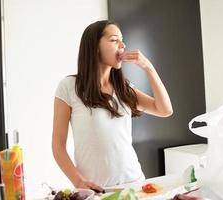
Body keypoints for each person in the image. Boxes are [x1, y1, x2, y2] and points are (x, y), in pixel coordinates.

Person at [52, 20, 173, 191]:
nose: (122, 45)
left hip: (134, 184)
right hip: (96, 190)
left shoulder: (123, 88)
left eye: (122, 40)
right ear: (95, 46)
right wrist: (78, 182)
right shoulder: (69, 87)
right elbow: (57, 146)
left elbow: (165, 110)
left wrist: (148, 67)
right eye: (114, 40)